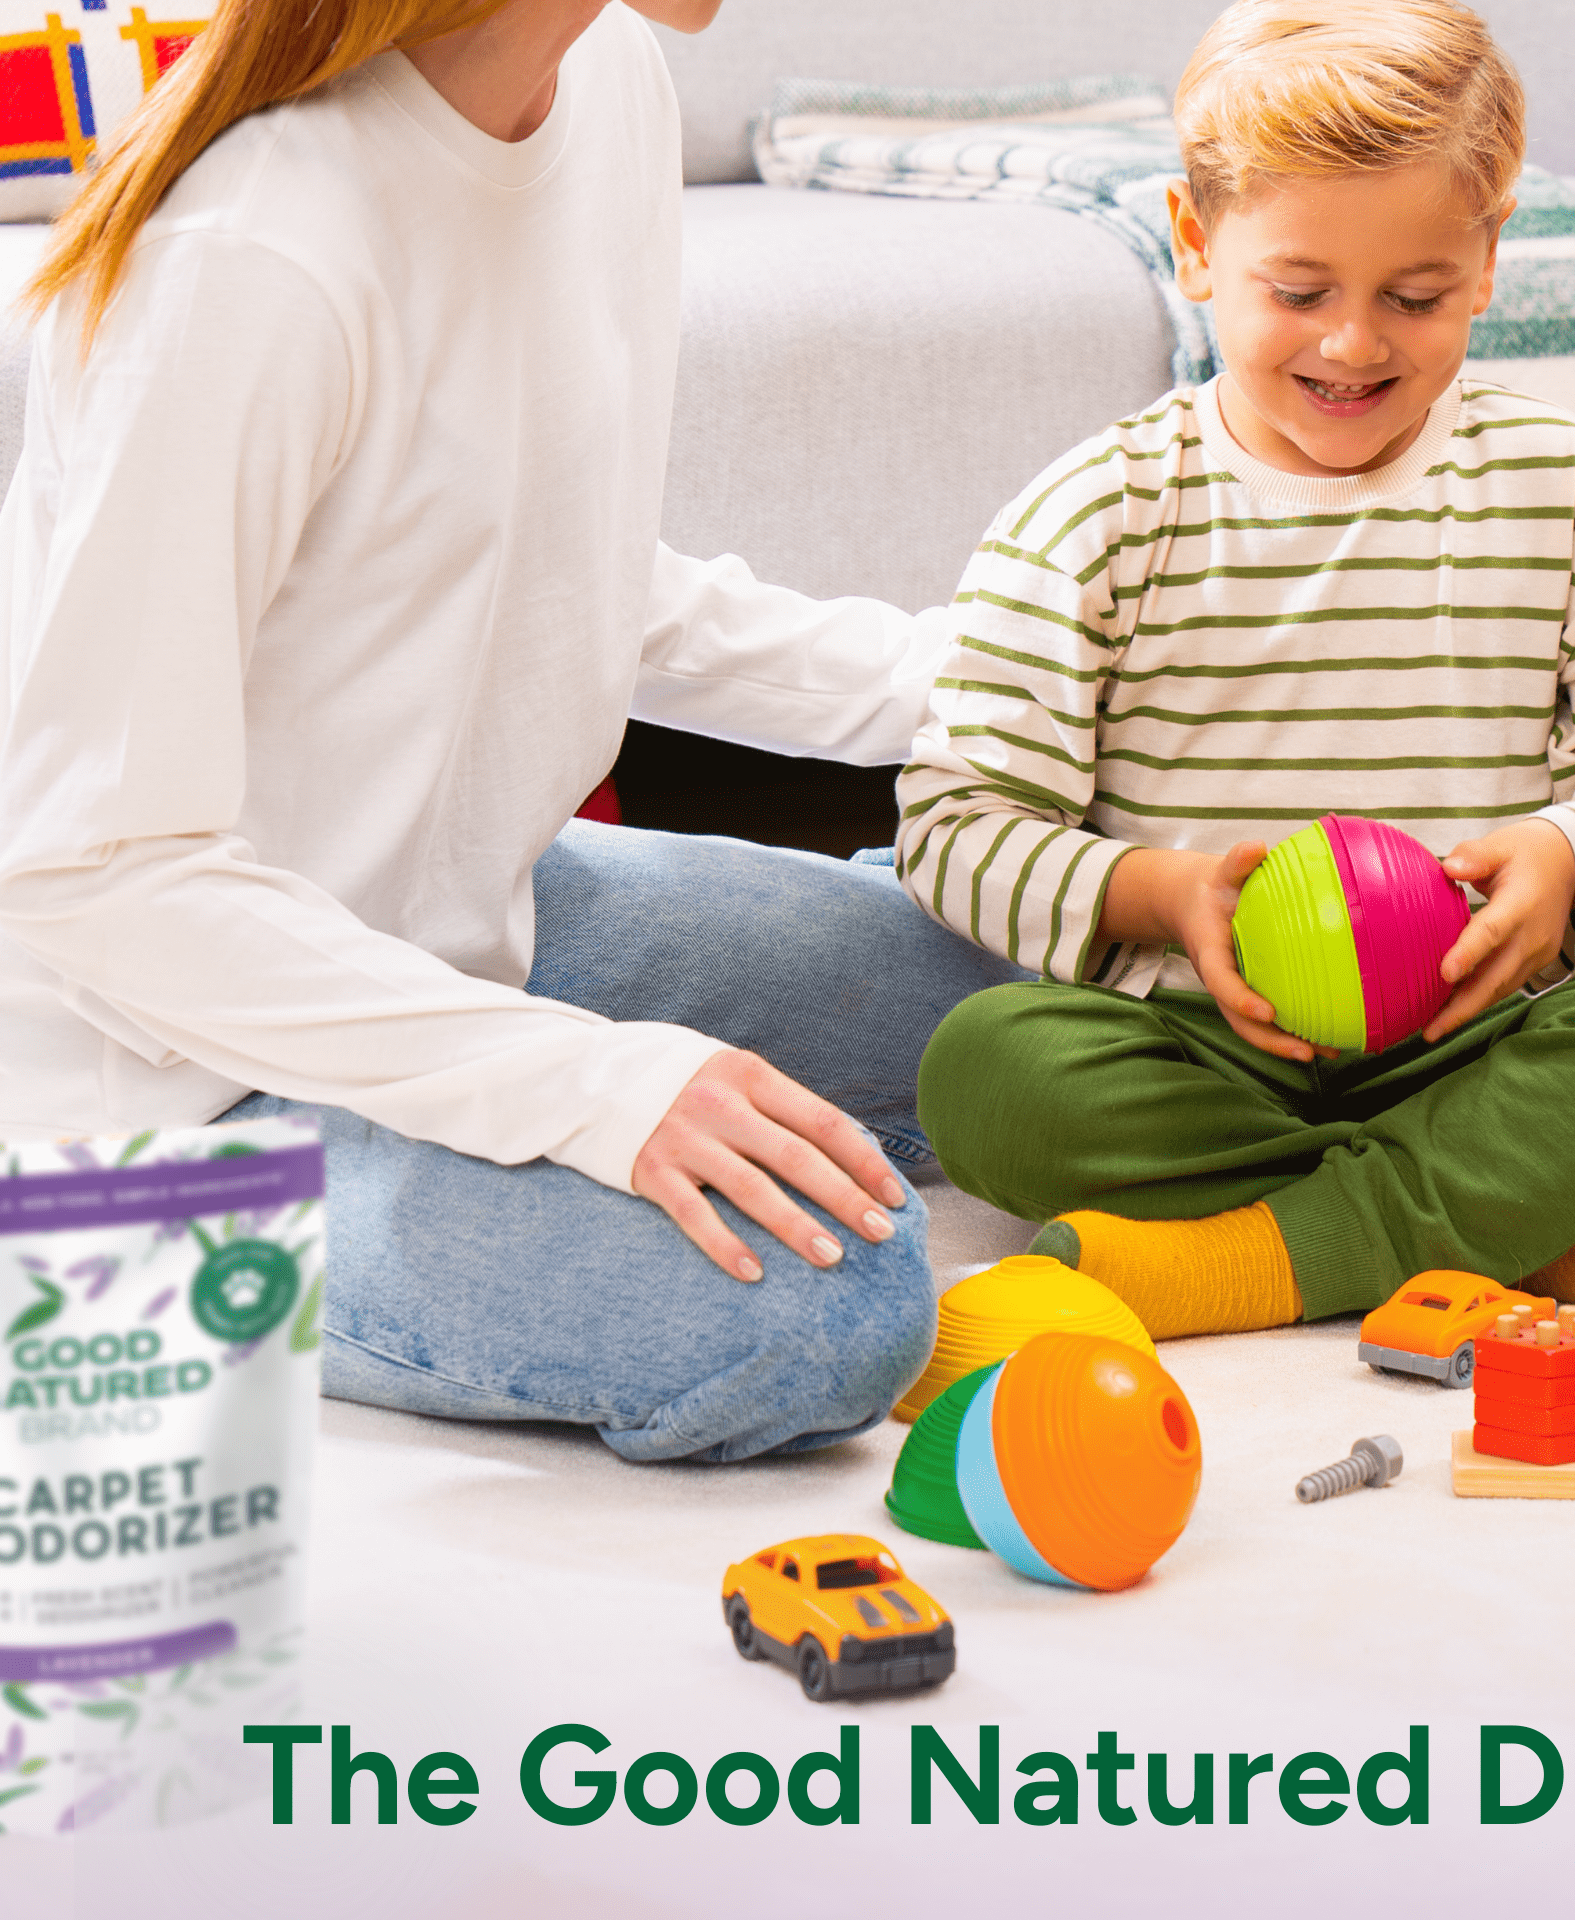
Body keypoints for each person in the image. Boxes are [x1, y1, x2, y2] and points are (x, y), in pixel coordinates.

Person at [0, 0, 1017, 1461]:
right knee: (827, 1304)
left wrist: (1001, 684)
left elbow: (568, 567)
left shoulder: (605, 86)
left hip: (453, 938)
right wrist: (593, 1082)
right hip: (158, 1082)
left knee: (1006, 993)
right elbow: (92, 868)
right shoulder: (256, 257)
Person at [896, 0, 1575, 1341]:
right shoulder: (1101, 510)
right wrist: (1163, 893)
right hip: (1209, 1045)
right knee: (990, 1077)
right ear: (1197, 247)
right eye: (1299, 292)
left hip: (1478, 1036)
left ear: (1487, 263)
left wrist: (1563, 857)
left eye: (1415, 297)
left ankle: (1257, 1257)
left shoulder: (1560, 487)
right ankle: (1518, 1215)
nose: (1355, 345)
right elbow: (954, 826)